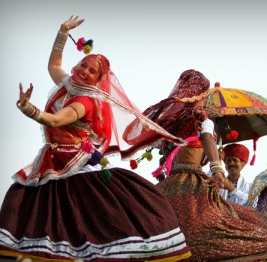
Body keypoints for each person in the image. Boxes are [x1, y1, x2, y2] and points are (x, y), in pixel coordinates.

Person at [0, 16, 192, 262]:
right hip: (52, 156)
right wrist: (62, 33)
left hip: (75, 160)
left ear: (98, 80)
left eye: (92, 71)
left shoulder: (85, 101)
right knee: (25, 198)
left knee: (82, 212)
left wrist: (28, 109)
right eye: (83, 65)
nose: (85, 72)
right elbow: (53, 65)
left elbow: (56, 121)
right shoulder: (69, 84)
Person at [124, 69, 267, 261]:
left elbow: (170, 154)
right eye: (204, 96)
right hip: (192, 183)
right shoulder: (200, 116)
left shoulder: (175, 122)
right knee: (215, 228)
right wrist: (217, 167)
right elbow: (207, 137)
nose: (205, 101)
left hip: (170, 185)